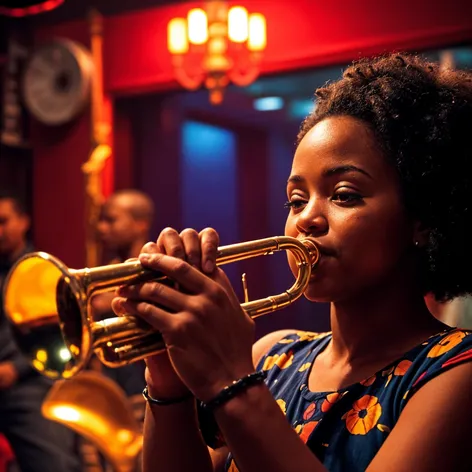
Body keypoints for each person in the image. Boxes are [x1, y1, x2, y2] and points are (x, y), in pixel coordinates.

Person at [111, 53, 472, 472]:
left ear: (424, 218)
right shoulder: (270, 355)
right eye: (296, 200)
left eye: (344, 194)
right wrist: (167, 378)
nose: (305, 219)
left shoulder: (456, 373)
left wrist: (231, 378)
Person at [0, 191, 81, 472]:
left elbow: (63, 335)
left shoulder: (40, 271)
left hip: (26, 381)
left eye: (3, 221)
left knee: (53, 464)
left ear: (23, 222)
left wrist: (14, 369)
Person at [93, 189, 155, 397]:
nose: (101, 228)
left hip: (146, 389)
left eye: (111, 220)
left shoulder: (157, 271)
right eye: (102, 220)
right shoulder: (108, 269)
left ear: (141, 224)